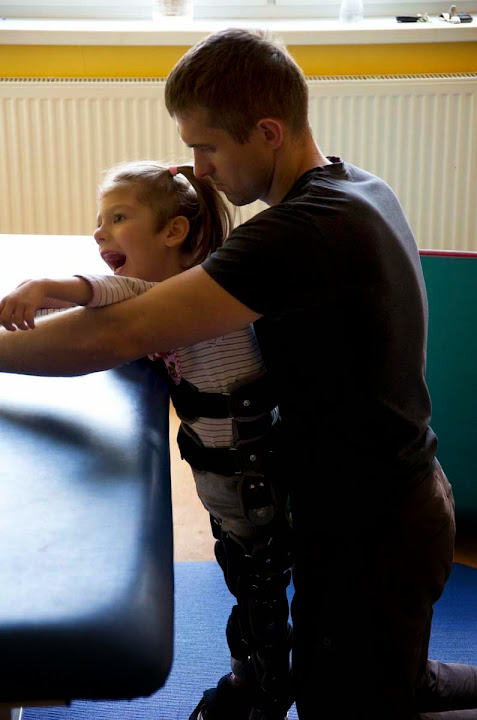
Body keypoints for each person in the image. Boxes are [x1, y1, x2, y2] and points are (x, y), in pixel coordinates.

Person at [1, 27, 477, 720]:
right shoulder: (357, 186)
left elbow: (121, 331)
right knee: (391, 679)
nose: (198, 170)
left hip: (374, 530)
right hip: (389, 501)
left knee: (348, 704)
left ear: (268, 132)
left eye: (208, 148)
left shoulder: (299, 233)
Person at [0, 159, 294, 720]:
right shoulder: (184, 293)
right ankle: (254, 678)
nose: (99, 232)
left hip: (250, 481)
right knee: (249, 581)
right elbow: (112, 296)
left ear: (174, 231)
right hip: (230, 479)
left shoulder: (187, 294)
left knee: (260, 593)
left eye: (117, 217)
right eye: (99, 220)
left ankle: (264, 693)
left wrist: (42, 288)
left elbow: (108, 292)